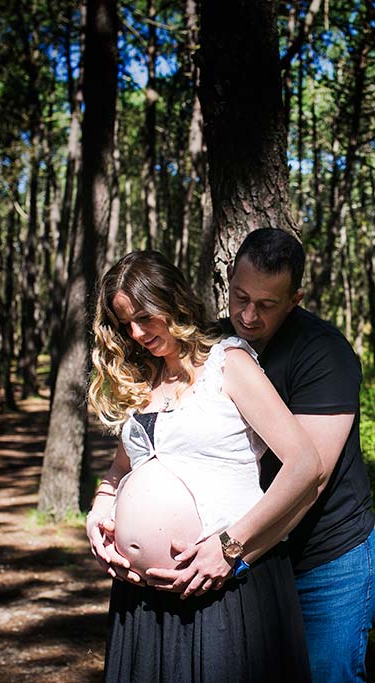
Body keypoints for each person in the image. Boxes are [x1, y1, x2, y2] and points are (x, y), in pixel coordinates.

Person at [85, 250, 321, 682]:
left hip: (220, 585)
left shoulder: (228, 363)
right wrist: (100, 507)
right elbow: (122, 469)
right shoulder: (144, 379)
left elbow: (305, 465)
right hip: (142, 600)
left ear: (173, 301)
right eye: (125, 324)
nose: (137, 333)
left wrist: (230, 546)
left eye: (144, 317)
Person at [223, 228, 375, 683]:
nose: (249, 315)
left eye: (267, 305)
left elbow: (308, 480)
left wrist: (233, 551)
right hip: (254, 557)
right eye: (240, 297)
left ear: (294, 300)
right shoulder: (214, 345)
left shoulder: (323, 352)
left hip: (328, 562)